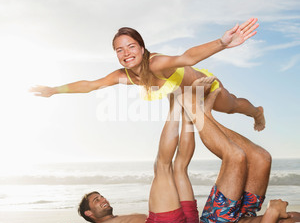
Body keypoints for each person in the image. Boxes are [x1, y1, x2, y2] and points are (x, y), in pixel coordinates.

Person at [30, 18, 265, 131]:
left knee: (232, 106)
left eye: (131, 46)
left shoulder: (156, 64)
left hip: (205, 87)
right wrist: (54, 90)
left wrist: (221, 43)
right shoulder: (125, 75)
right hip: (186, 100)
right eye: (119, 50)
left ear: (142, 49)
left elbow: (188, 57)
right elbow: (91, 85)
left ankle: (257, 112)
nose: (126, 53)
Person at [52, 92, 201, 223]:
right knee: (162, 166)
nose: (103, 199)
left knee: (180, 168)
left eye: (101, 196)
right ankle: (175, 104)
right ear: (89, 213)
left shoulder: (116, 220)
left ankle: (188, 111)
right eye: (96, 200)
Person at [181, 81, 300, 223]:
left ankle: (192, 109)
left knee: (236, 157)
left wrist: (272, 213)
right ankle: (207, 116)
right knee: (262, 158)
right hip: (245, 215)